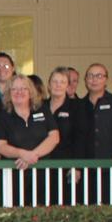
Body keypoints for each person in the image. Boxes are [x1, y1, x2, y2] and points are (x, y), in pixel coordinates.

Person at [0, 75, 59, 206]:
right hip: (13, 175)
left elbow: (54, 137)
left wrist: (32, 155)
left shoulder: (42, 110)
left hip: (42, 174)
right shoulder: (2, 116)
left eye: (24, 89)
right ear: (8, 93)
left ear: (31, 92)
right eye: (14, 89)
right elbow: (1, 146)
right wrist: (22, 154)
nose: (19, 92)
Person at [84, 63, 112, 204]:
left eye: (99, 76)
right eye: (90, 76)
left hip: (110, 165)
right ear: (85, 80)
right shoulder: (80, 104)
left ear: (106, 80)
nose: (94, 79)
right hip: (87, 167)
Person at [46, 67, 90, 203]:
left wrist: (76, 166)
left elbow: (81, 139)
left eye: (62, 82)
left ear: (67, 86)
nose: (58, 85)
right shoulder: (40, 106)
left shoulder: (77, 107)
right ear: (49, 85)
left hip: (67, 166)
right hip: (42, 166)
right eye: (55, 81)